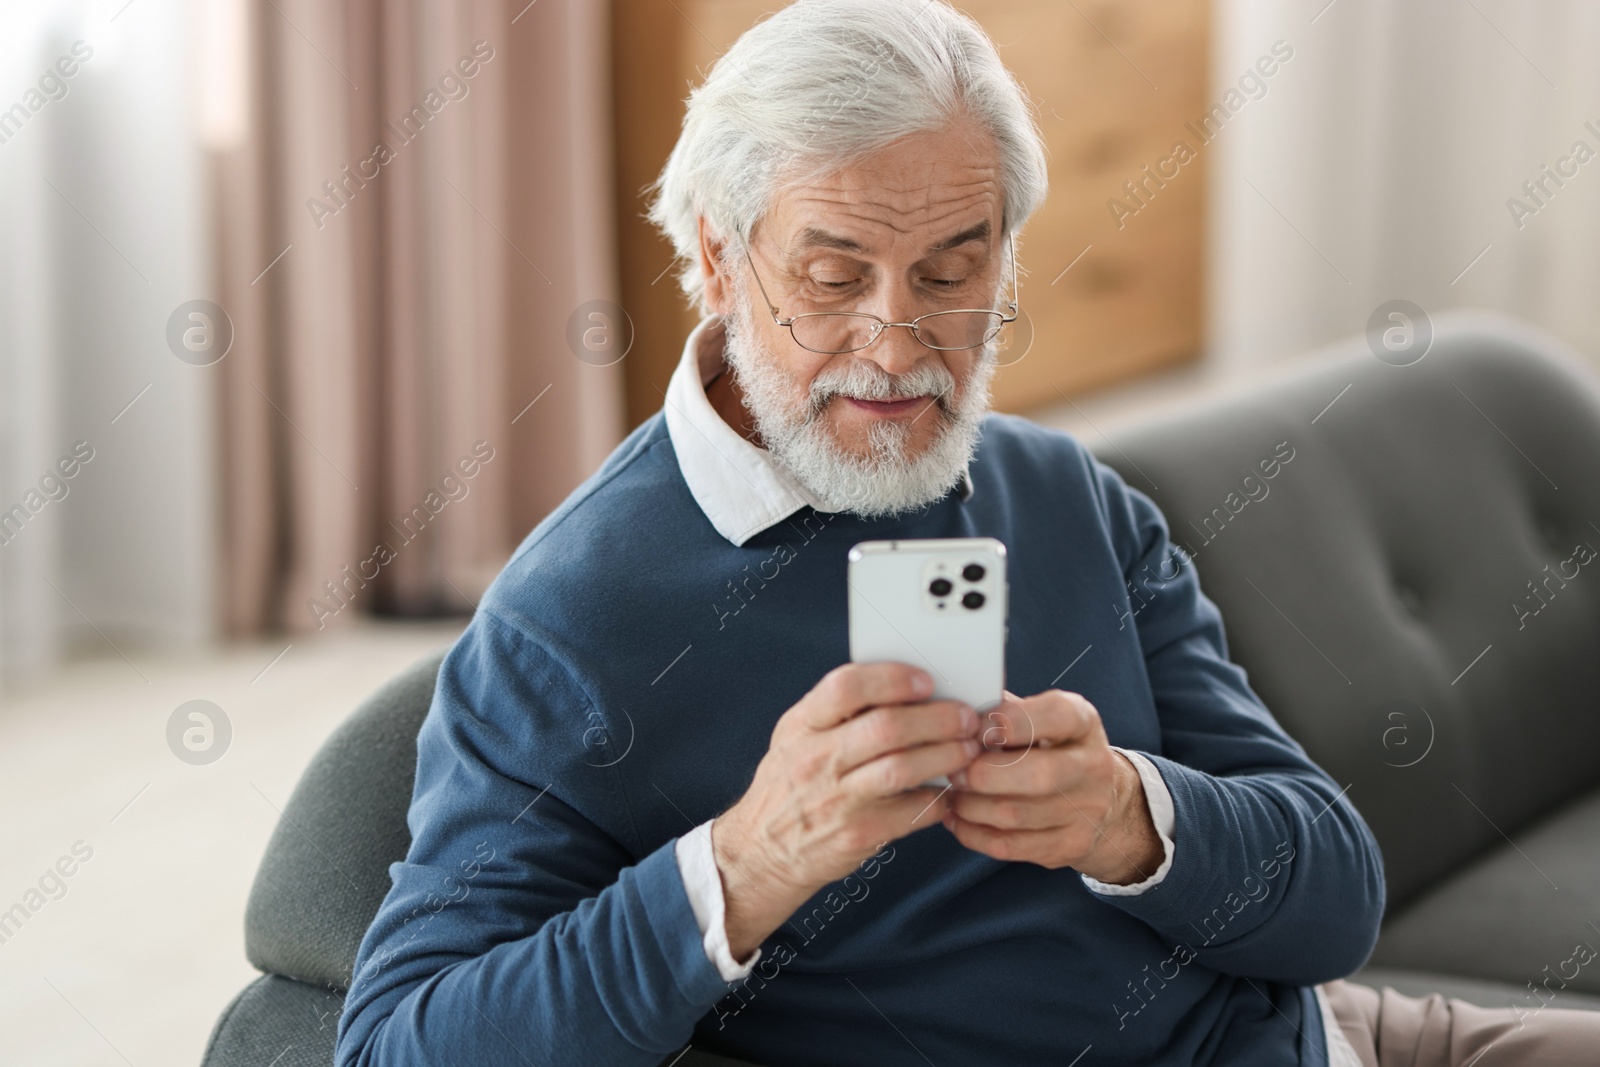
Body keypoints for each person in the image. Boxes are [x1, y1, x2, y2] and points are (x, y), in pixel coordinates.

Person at [335, 2, 1599, 1064]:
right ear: (718, 261)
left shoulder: (1064, 491)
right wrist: (746, 862)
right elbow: (395, 1042)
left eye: (952, 271)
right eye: (834, 277)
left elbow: (1334, 896)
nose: (899, 345)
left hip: (1343, 1036)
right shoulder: (572, 617)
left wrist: (1130, 816)